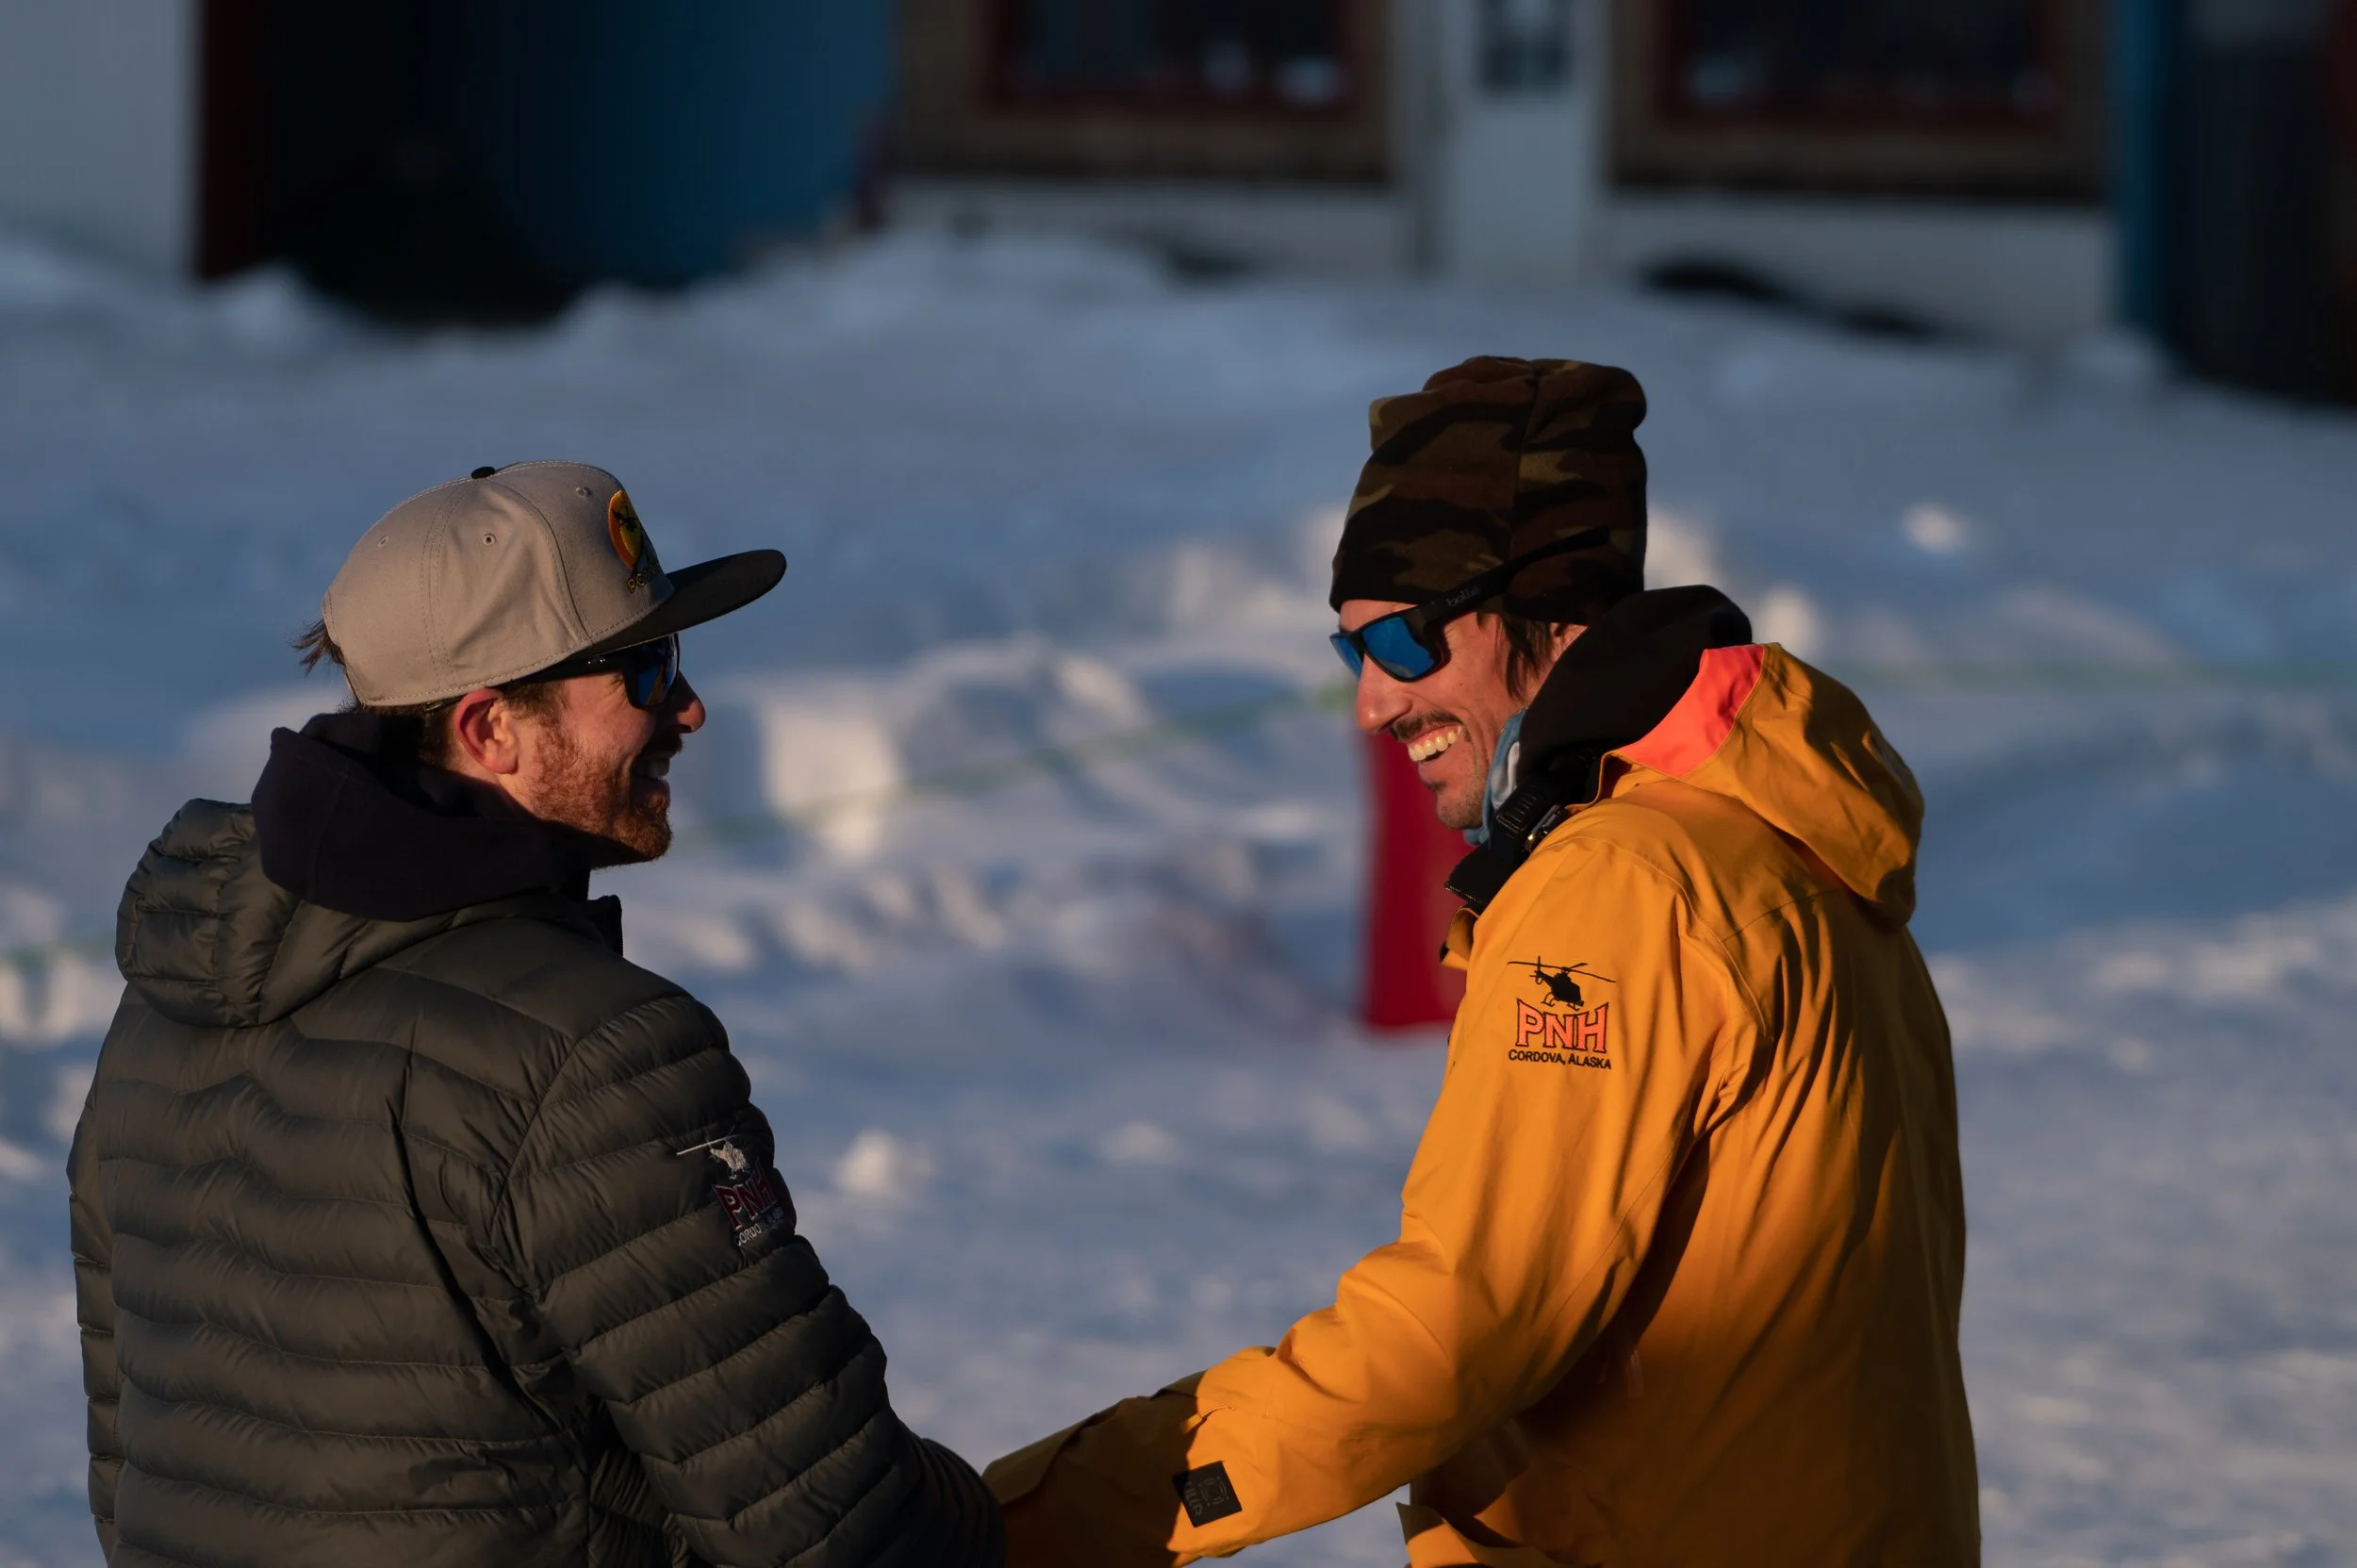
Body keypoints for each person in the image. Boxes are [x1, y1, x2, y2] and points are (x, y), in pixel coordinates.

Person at [983, 358, 1980, 1565]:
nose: (1370, 704)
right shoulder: (1782, 845)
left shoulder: (1624, 885)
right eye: (1348, 650)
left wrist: (1034, 1522)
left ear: (1552, 614)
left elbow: (1457, 1325)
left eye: (1403, 640)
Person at [70, 463, 1003, 1568]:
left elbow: (133, 1473)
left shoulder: (169, 999)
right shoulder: (593, 1052)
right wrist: (1050, 1508)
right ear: (489, 726)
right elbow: (830, 1529)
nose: (689, 708)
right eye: (647, 670)